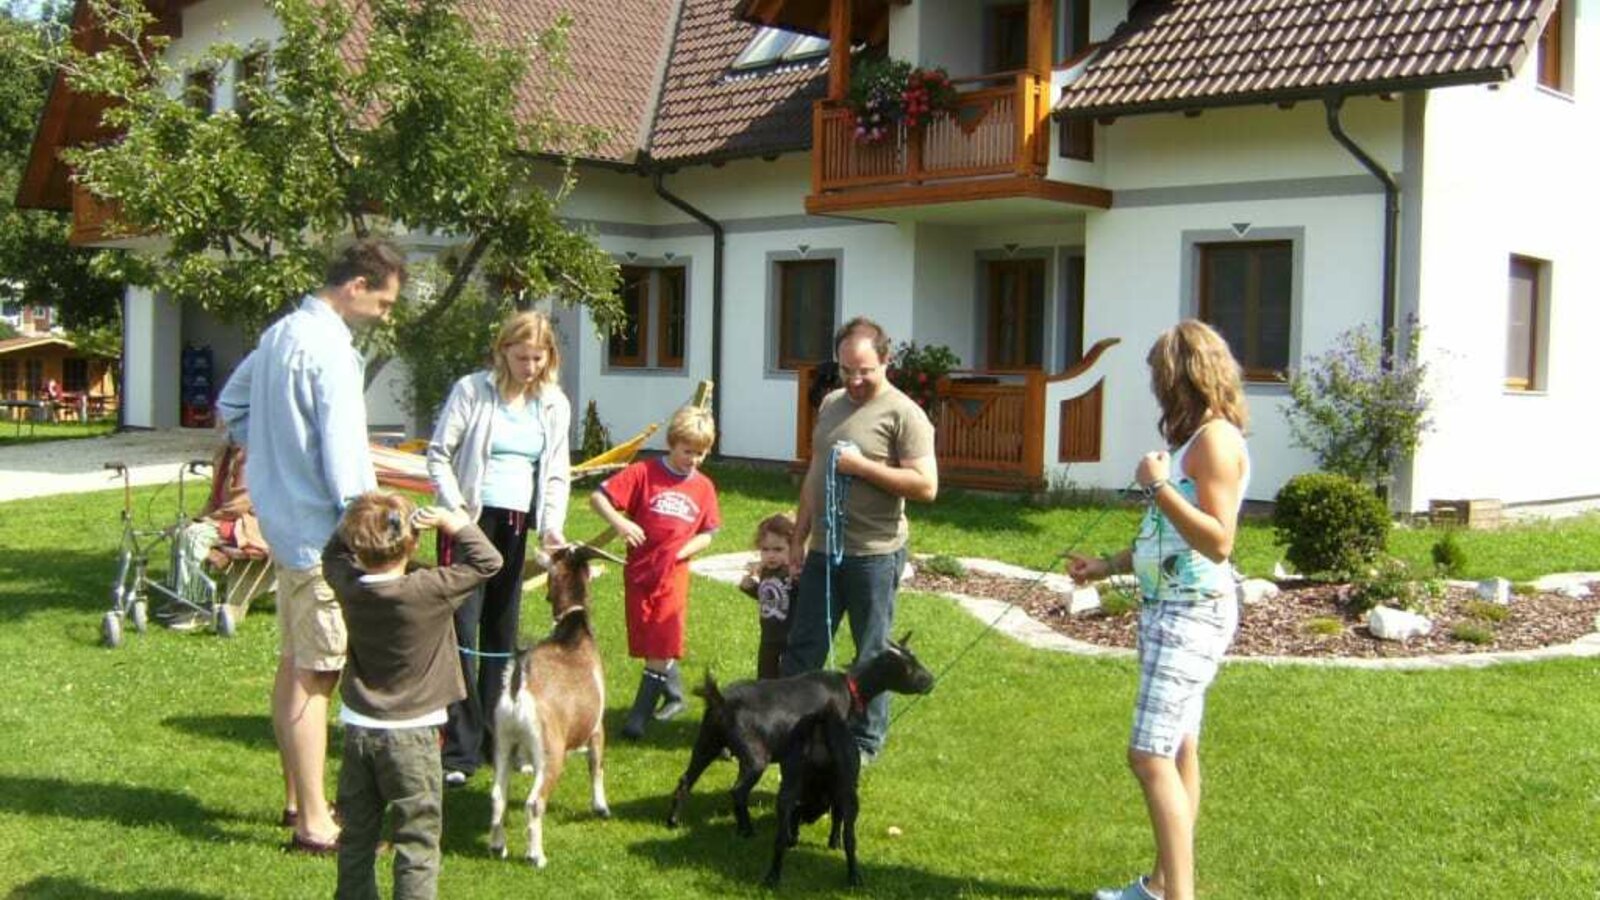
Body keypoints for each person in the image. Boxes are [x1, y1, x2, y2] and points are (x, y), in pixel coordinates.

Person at [217, 238, 407, 853]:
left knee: (295, 665)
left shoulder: (279, 334)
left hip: (285, 524)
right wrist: (379, 529)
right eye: (383, 302)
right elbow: (347, 462)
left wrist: (273, 457)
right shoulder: (328, 349)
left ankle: (301, 799)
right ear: (355, 286)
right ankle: (317, 826)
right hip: (324, 535)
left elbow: (231, 405)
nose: (384, 314)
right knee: (317, 676)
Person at [1066, 320, 1250, 900]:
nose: (1155, 390)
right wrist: (1106, 564)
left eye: (1158, 377)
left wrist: (1159, 487)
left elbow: (1219, 540)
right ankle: (1161, 885)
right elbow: (1164, 543)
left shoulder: (1215, 442)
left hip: (1190, 615)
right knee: (1178, 749)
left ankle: (1177, 898)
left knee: (1147, 756)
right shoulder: (1195, 442)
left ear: (1182, 377)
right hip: (1173, 607)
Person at [322, 492, 503, 900]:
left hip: (359, 732)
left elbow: (331, 552)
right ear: (411, 543)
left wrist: (356, 523)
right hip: (415, 736)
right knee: (417, 843)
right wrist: (452, 523)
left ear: (355, 544)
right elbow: (489, 562)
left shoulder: (347, 583)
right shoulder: (428, 589)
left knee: (356, 836)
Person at [426, 311, 571, 786]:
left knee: (501, 637)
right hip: (470, 521)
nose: (529, 366)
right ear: (503, 351)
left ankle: (495, 739)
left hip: (515, 523)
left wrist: (551, 527)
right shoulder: (472, 390)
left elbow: (554, 471)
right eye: (521, 355)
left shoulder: (552, 403)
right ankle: (459, 751)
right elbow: (438, 454)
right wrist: (457, 512)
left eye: (538, 357)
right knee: (464, 635)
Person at [784, 316, 937, 764]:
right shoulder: (831, 403)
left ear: (886, 360)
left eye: (864, 370)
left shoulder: (905, 413)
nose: (854, 379)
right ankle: (792, 730)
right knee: (804, 646)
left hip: (874, 554)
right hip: (824, 550)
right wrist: (799, 535)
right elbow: (816, 471)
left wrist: (864, 468)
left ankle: (865, 743)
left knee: (872, 653)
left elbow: (927, 486)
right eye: (846, 368)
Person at [590, 405, 721, 740]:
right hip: (640, 572)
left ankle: (637, 717)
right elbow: (598, 497)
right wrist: (620, 522)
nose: (692, 459)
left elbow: (708, 532)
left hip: (672, 576)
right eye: (687, 451)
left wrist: (681, 552)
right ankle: (674, 695)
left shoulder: (703, 487)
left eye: (701, 454)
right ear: (671, 444)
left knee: (662, 641)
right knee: (649, 639)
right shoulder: (644, 474)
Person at [738, 512, 798, 680]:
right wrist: (752, 588)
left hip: (789, 637)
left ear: (792, 548)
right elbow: (771, 599)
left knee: (788, 680)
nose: (771, 555)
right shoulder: (766, 571)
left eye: (778, 549)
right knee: (765, 678)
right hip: (769, 635)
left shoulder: (792, 573)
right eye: (765, 549)